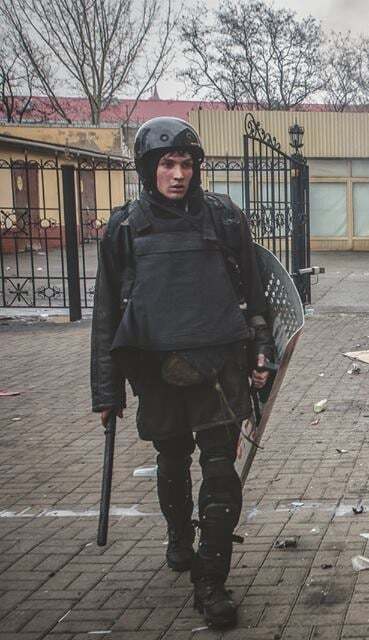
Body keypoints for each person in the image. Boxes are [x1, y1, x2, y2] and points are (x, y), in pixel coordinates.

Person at [90, 117, 274, 630]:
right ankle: (179, 536)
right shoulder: (125, 227)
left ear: (197, 168)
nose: (178, 175)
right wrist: (106, 390)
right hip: (156, 371)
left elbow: (254, 295)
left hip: (220, 366)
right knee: (172, 458)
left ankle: (210, 581)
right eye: (167, 165)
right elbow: (107, 313)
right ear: (149, 169)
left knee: (221, 471)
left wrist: (263, 351)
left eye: (186, 165)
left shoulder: (223, 218)